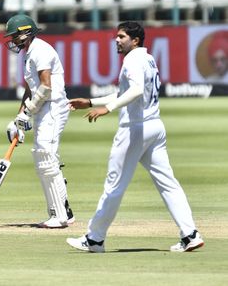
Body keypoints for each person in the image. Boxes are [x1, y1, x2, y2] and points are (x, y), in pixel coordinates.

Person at [66, 21, 204, 253]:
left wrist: (107, 109)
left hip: (134, 130)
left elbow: (137, 90)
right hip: (154, 127)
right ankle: (190, 234)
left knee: (114, 186)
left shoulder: (132, 60)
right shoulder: (147, 58)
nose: (116, 40)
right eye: (116, 36)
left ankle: (95, 239)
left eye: (121, 37)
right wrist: (91, 102)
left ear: (135, 40)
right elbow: (125, 92)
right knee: (168, 184)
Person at [3, 14, 74, 229]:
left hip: (54, 107)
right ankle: (64, 212)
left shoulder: (41, 50)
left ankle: (59, 216)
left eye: (15, 36)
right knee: (45, 157)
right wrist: (18, 119)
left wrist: (29, 113)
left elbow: (46, 86)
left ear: (26, 33)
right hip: (44, 108)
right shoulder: (29, 53)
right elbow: (30, 90)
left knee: (45, 156)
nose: (13, 40)